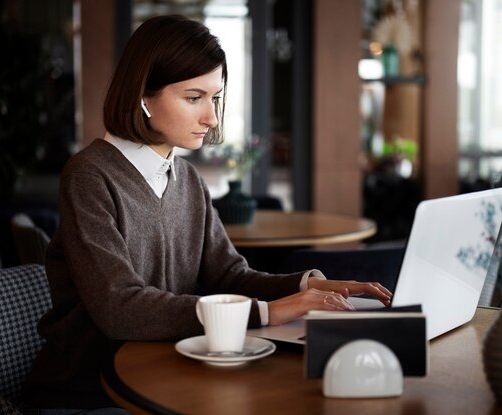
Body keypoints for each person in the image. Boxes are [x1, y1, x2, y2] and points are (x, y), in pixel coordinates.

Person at [21, 15, 392, 413]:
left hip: (168, 375)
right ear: (143, 96)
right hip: (91, 393)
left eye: (214, 98)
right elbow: (120, 308)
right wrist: (266, 311)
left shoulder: (188, 180)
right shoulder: (89, 176)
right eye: (193, 97)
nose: (212, 118)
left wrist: (305, 287)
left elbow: (229, 276)